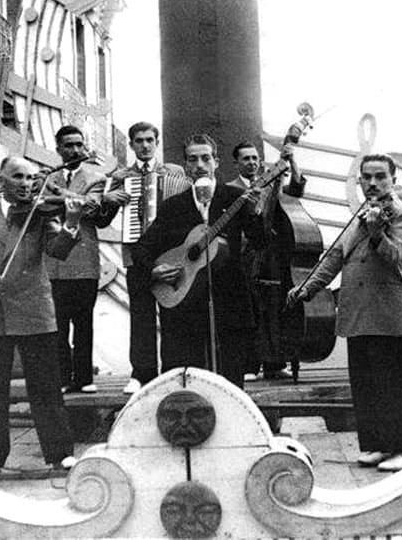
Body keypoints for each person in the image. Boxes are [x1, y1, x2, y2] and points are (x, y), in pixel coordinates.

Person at [0, 155, 83, 475]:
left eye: (31, 178)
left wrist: (72, 222)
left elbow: (58, 250)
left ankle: (59, 453)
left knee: (46, 388)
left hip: (35, 311)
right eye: (19, 177)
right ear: (1, 180)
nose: (27, 184)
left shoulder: (40, 215)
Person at [287, 154, 402, 471]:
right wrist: (307, 287)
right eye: (367, 177)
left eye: (380, 177)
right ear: (359, 181)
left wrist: (377, 233)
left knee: (392, 384)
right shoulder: (359, 213)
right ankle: (374, 444)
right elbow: (335, 257)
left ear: (393, 180)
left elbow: (396, 256)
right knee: (364, 383)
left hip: (387, 312)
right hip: (357, 311)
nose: (373, 183)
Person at [131, 134, 264, 388]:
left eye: (206, 158)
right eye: (193, 159)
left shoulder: (235, 197)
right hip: (185, 303)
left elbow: (259, 243)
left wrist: (254, 212)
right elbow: (143, 248)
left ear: (216, 162)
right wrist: (154, 269)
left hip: (228, 300)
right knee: (187, 379)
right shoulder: (173, 206)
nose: (200, 164)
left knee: (230, 379)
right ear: (186, 166)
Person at [105, 122, 185, 394]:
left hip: (169, 255)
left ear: (157, 142)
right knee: (141, 316)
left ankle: (171, 371)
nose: (145, 145)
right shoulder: (121, 176)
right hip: (135, 257)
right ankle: (141, 373)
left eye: (150, 140)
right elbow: (104, 219)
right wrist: (109, 199)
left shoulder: (174, 172)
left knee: (172, 314)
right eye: (139, 141)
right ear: (131, 145)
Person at [226, 140, 306, 381]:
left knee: (274, 308)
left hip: (271, 259)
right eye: (246, 159)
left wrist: (291, 160)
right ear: (236, 163)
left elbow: (296, 191)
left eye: (254, 158)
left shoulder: (272, 184)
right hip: (243, 256)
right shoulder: (230, 189)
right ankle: (250, 365)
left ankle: (274, 362)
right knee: (248, 311)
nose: (251, 162)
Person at [46, 125, 116, 394]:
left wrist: (59, 195)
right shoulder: (47, 177)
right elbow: (42, 206)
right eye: (68, 146)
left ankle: (84, 378)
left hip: (84, 262)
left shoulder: (95, 177)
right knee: (58, 326)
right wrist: (68, 199)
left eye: (79, 145)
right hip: (53, 262)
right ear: (59, 149)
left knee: (83, 323)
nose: (75, 150)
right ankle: (63, 378)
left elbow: (91, 207)